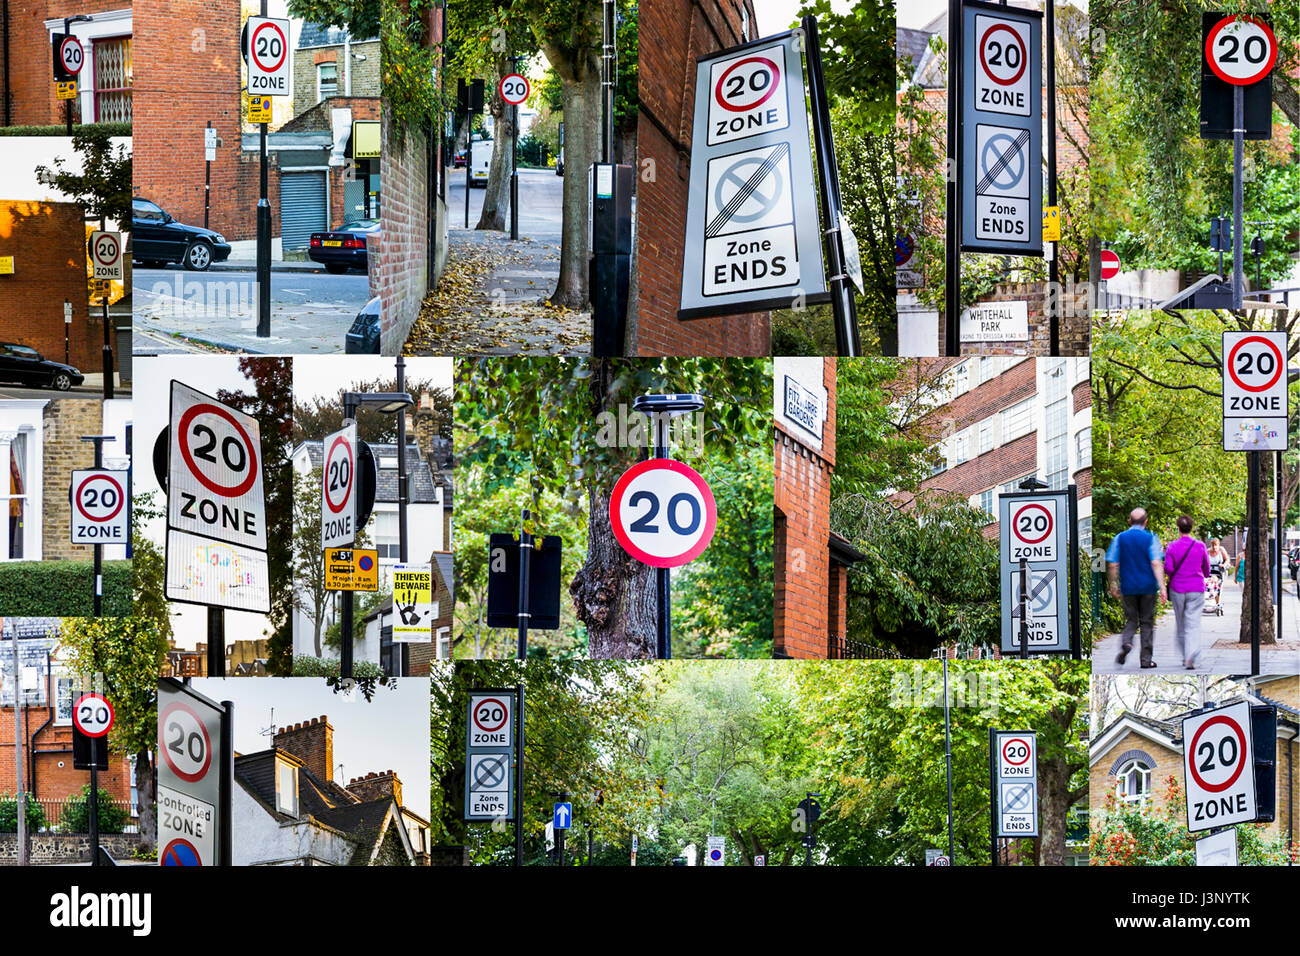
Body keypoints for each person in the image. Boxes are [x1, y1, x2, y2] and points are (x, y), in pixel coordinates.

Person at [1106, 508, 1166, 668]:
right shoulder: (1151, 538)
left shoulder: (1120, 538)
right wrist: (1162, 586)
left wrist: (1113, 584)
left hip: (1128, 587)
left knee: (1131, 620)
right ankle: (1146, 660)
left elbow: (1112, 563)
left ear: (1129, 521)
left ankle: (1127, 642)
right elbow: (1155, 562)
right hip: (1148, 587)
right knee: (1146, 622)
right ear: (1146, 521)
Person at [1165, 516, 1210, 669]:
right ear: (1192, 528)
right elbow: (1207, 569)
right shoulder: (1200, 546)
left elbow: (1168, 568)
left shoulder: (1172, 546)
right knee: (1193, 622)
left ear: (1178, 528)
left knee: (1181, 623)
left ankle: (1186, 656)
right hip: (1196, 588)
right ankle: (1191, 653)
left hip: (1178, 588)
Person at [1206, 538, 1231, 608]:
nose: (1214, 547)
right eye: (1213, 545)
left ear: (1218, 545)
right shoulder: (1207, 551)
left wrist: (1223, 565)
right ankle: (1211, 596)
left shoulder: (1221, 550)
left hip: (1219, 572)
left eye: (1216, 545)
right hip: (1209, 572)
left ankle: (1216, 601)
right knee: (1209, 583)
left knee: (1217, 587)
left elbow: (1227, 559)